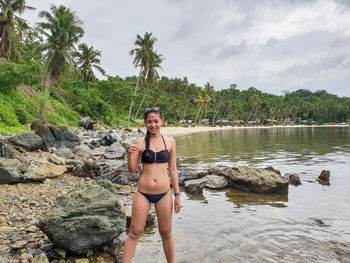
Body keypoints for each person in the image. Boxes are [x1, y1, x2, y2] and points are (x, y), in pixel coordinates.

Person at [122, 107, 181, 263]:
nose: (153, 125)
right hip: (143, 193)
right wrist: (130, 154)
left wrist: (177, 195)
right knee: (135, 231)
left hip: (164, 194)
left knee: (166, 233)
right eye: (149, 122)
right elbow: (132, 169)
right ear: (145, 123)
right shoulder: (140, 142)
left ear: (162, 121)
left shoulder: (170, 142)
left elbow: (173, 170)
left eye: (156, 121)